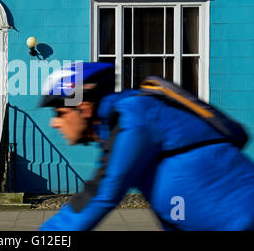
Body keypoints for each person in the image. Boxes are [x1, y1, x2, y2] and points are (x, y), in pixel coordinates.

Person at [38, 62, 254, 231]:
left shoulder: (133, 117)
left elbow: (101, 193)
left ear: (83, 107)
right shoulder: (121, 125)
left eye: (60, 113)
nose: (54, 122)